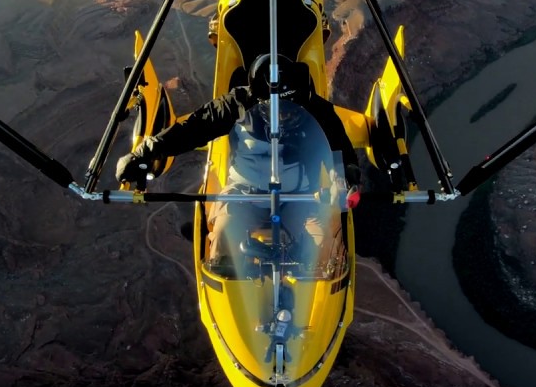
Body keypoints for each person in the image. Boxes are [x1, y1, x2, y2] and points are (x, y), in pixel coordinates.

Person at [117, 54, 359, 274]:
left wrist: (347, 179)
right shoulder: (238, 103)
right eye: (276, 109)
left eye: (290, 107)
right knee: (223, 237)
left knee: (325, 249)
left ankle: (311, 308)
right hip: (243, 194)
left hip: (301, 197)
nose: (284, 115)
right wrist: (144, 153)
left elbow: (340, 148)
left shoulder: (317, 109)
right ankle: (236, 295)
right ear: (259, 100)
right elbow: (194, 128)